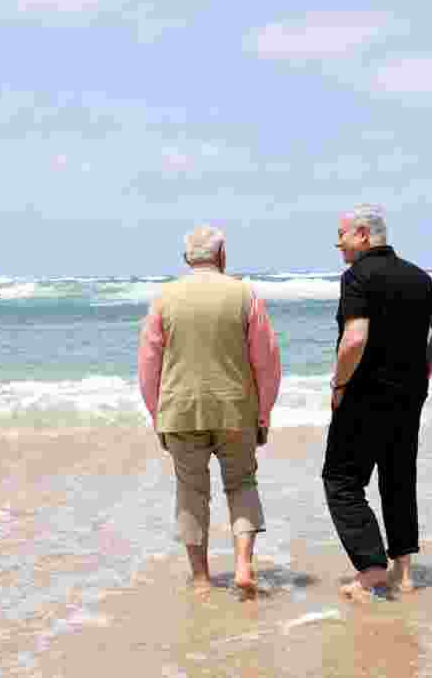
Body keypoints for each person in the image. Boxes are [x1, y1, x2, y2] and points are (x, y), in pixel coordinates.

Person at [138, 226, 281, 597]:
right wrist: (263, 413)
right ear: (222, 255)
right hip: (235, 408)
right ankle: (243, 567)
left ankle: (201, 579)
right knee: (242, 483)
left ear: (187, 258)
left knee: (190, 491)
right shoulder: (245, 294)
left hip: (181, 410)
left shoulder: (164, 298)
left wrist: (158, 416)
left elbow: (149, 365)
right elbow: (265, 362)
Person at [324, 204, 432, 602]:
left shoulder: (357, 277)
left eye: (343, 235)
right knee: (398, 477)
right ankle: (404, 573)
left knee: (341, 480)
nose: (338, 243)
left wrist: (339, 383)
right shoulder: (417, 275)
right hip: (408, 396)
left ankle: (371, 567)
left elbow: (355, 338)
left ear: (364, 234)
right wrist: (427, 368)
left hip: (364, 395)